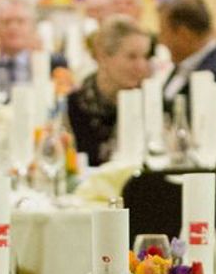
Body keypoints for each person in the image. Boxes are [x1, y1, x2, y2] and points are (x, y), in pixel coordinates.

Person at [65, 15, 153, 164]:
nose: (141, 66)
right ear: (103, 56)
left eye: (145, 57)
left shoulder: (150, 104)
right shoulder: (72, 107)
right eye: (132, 57)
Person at [0, 0, 65, 94]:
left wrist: (40, 64)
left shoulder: (54, 62)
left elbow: (65, 96)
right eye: (6, 22)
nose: (13, 27)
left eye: (21, 21)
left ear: (33, 26)